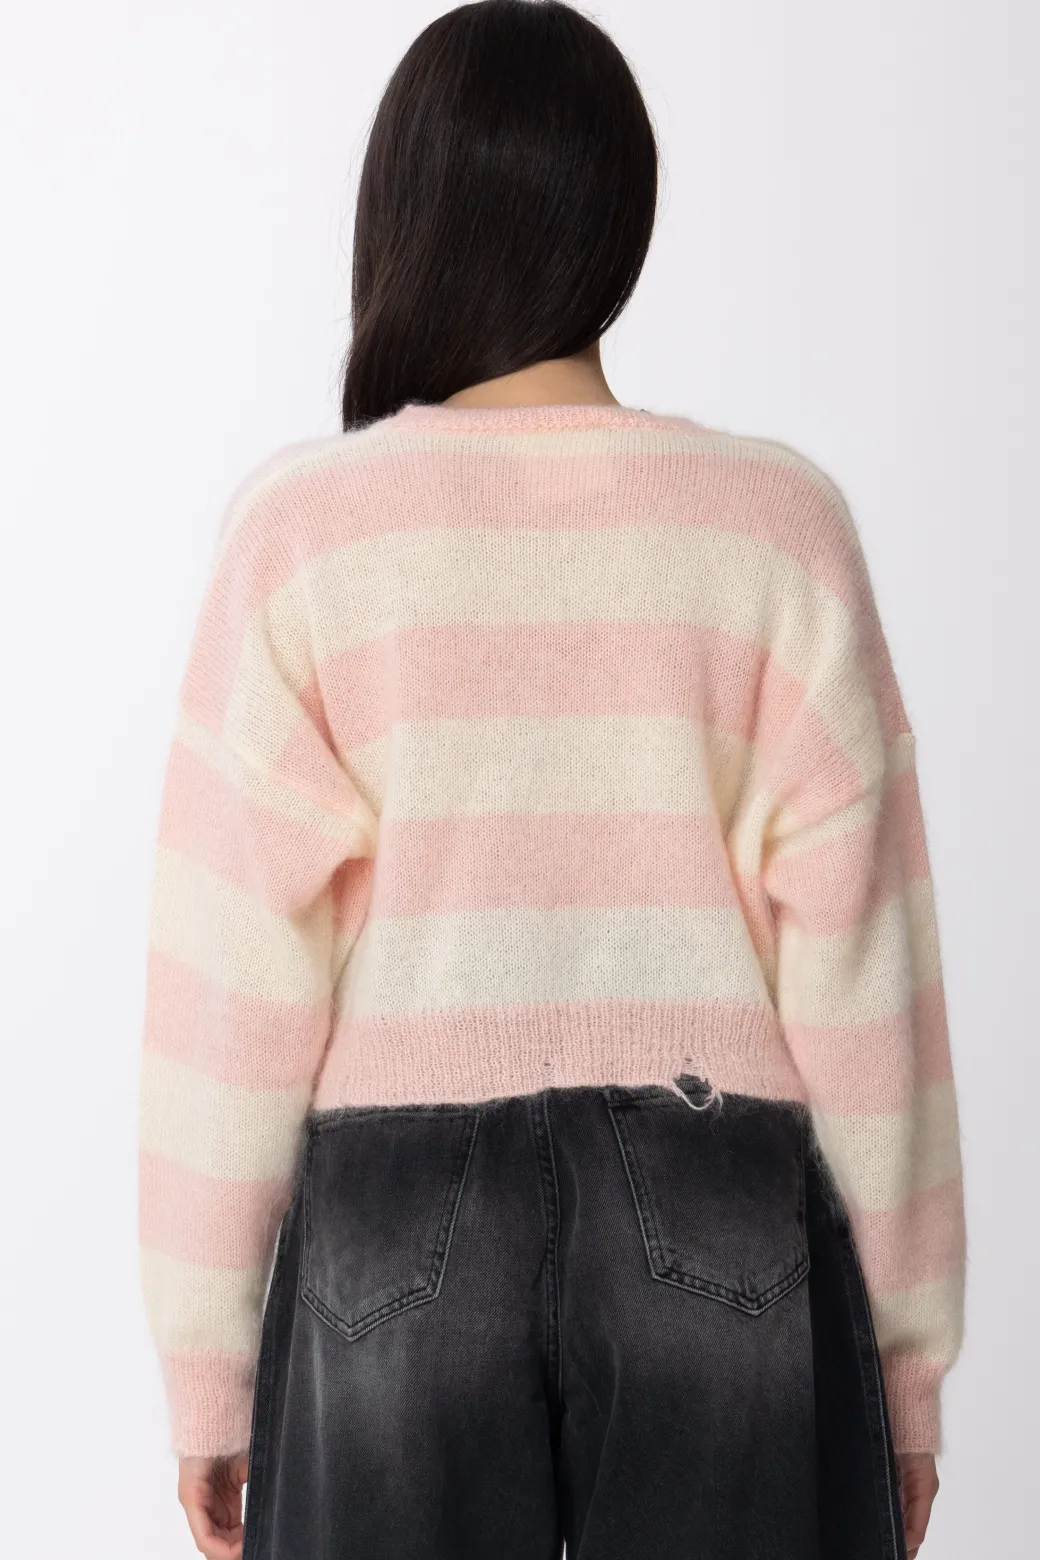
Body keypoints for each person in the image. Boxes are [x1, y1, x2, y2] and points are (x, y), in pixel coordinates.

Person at [137, 3, 966, 1557]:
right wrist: (904, 1376)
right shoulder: (777, 528)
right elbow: (869, 982)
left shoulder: (305, 537)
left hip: (396, 1218)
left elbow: (226, 989)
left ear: (405, 214)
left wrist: (209, 1374)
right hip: (719, 1191)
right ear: (618, 219)